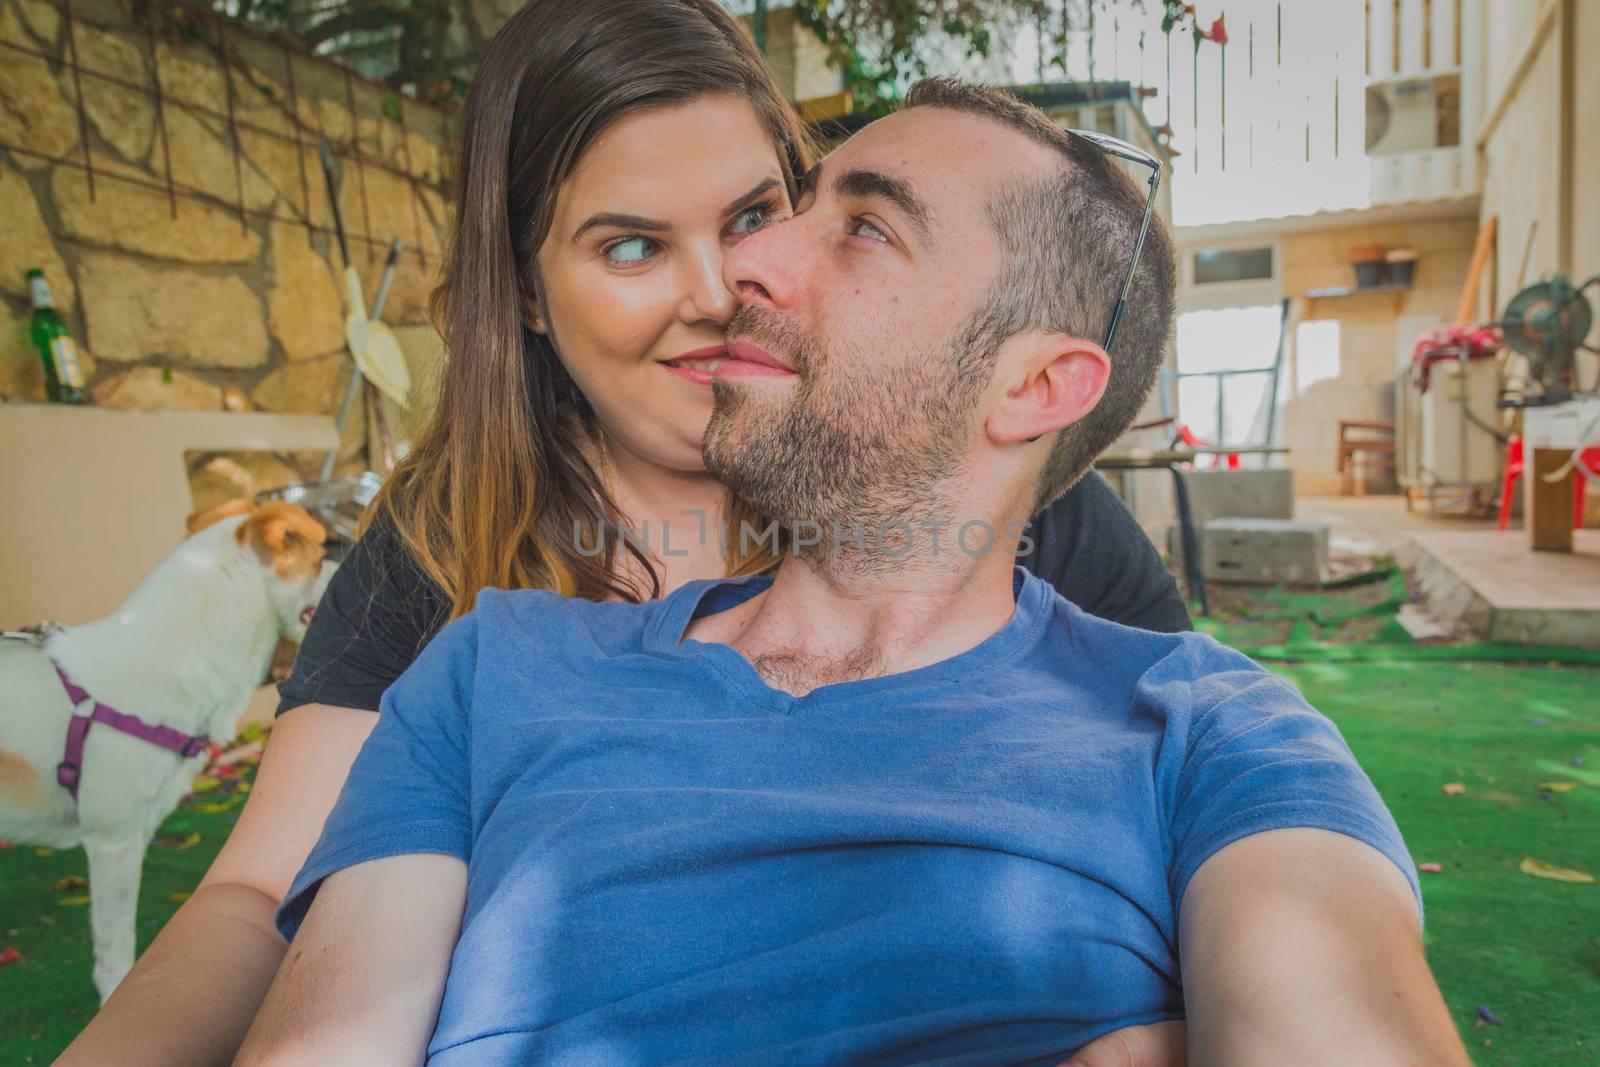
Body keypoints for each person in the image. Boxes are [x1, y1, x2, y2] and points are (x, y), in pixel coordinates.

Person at [233, 79, 1469, 1066]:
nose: (743, 269)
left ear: (1036, 385)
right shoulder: (491, 667)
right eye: (791, 207)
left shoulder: (1214, 736)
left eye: (865, 228)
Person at [59, 3, 1188, 1065]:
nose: (725, 285)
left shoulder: (1003, 512)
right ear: (531, 296)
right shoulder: (448, 547)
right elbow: (259, 895)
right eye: (632, 247)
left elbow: (1175, 822)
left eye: (754, 215)